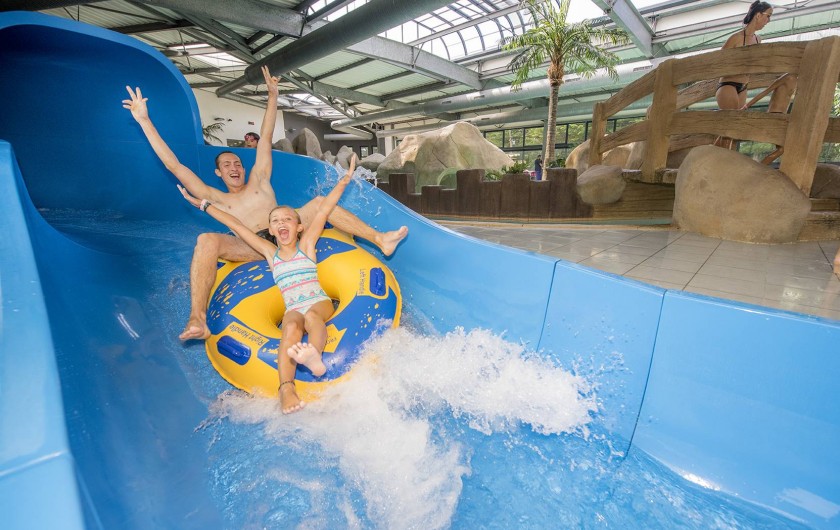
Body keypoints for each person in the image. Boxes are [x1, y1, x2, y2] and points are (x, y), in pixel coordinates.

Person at [123, 66, 408, 341]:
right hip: (252, 246)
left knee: (321, 202)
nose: (234, 167)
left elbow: (267, 136)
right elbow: (174, 166)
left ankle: (379, 239)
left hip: (285, 231)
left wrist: (273, 95)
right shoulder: (215, 197)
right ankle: (197, 316)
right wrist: (144, 121)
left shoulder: (259, 179)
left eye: (237, 163)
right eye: (226, 165)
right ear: (218, 173)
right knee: (206, 240)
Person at [179, 157, 357, 414]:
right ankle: (286, 388)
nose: (281, 223)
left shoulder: (307, 245)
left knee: (314, 317)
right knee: (291, 326)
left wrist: (343, 181)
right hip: (293, 306)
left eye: (287, 219)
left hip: (317, 300)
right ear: (271, 231)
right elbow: (236, 225)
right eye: (275, 221)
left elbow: (323, 209)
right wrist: (206, 205)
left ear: (299, 227)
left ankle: (313, 355)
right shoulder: (270, 254)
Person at [715, 1, 797, 159]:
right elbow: (718, 61)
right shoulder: (735, 38)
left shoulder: (758, 40)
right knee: (730, 126)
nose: (768, 21)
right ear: (758, 15)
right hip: (728, 85)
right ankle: (720, 160)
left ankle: (715, 154)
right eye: (768, 16)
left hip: (743, 86)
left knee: (734, 128)